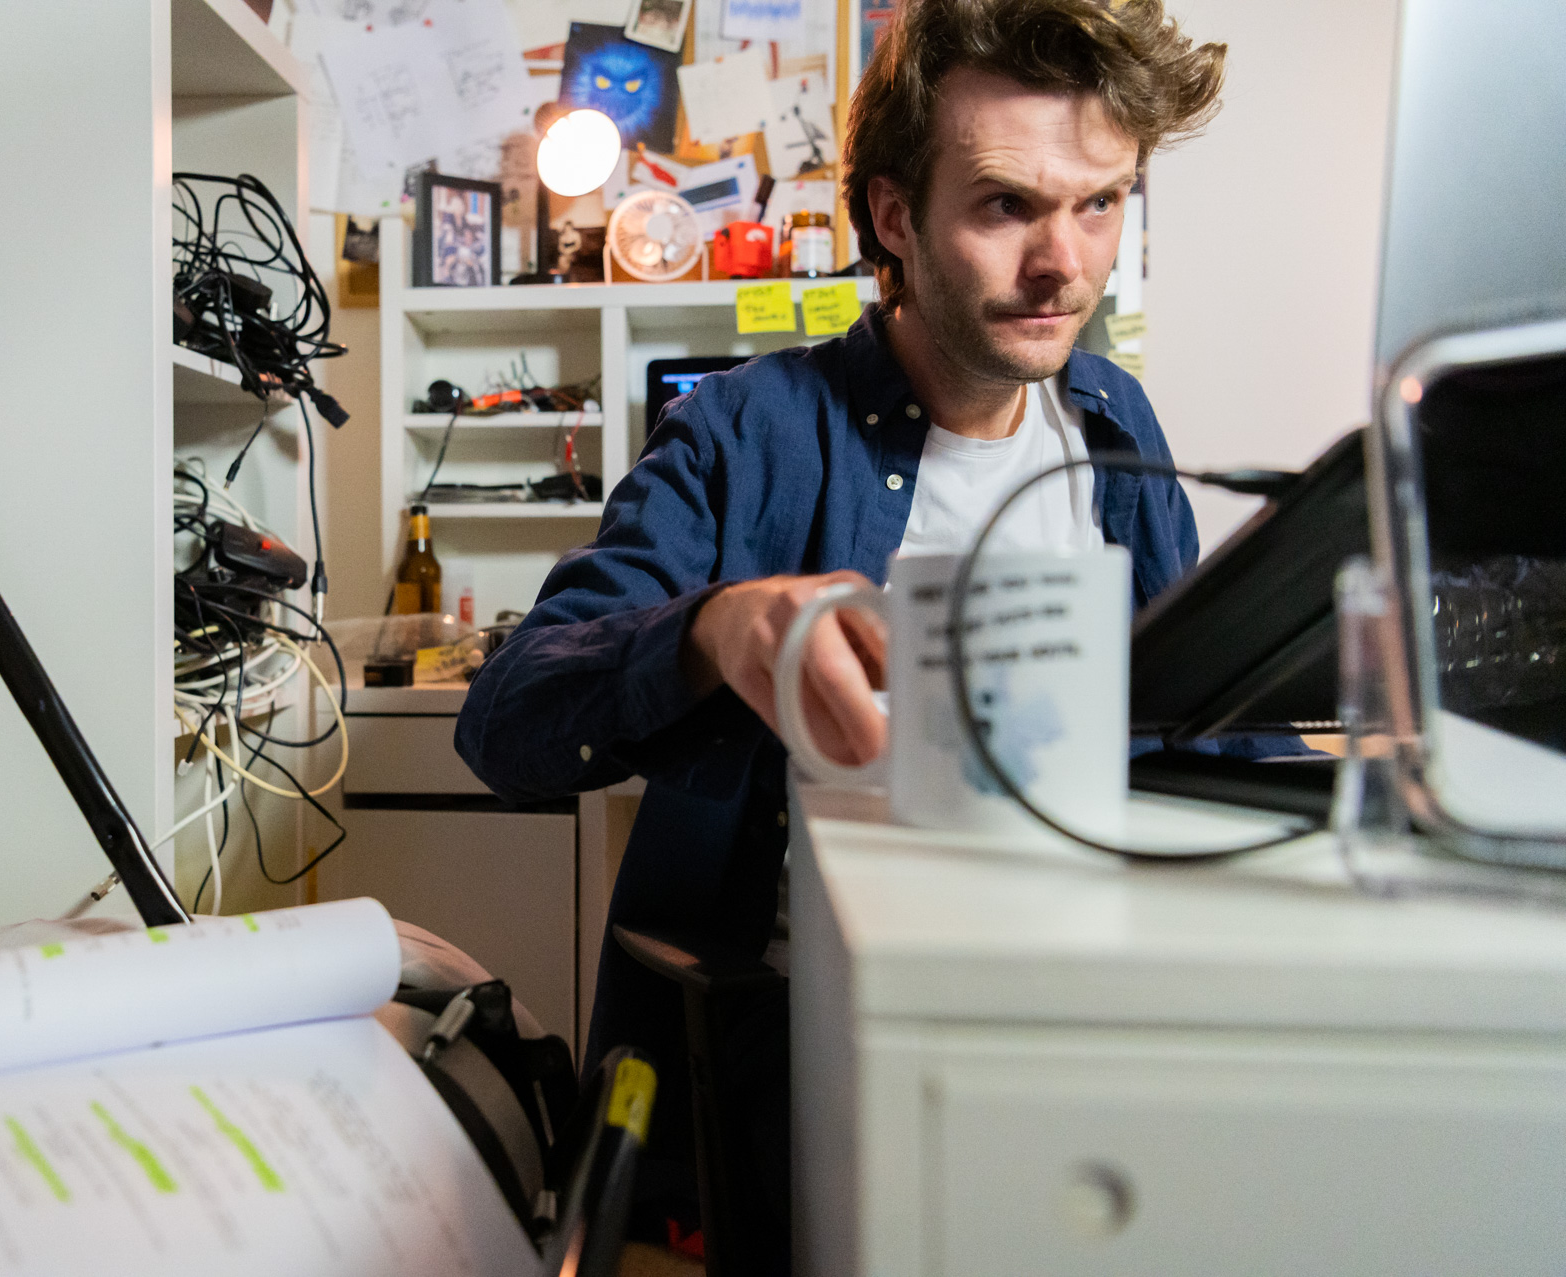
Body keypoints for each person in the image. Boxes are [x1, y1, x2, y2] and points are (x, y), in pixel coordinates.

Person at [457, 0, 1233, 1257]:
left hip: (1074, 1033)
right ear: (893, 216)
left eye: (1100, 202)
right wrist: (718, 629)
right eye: (1006, 205)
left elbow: (1193, 733)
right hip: (806, 1062)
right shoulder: (743, 429)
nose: (1065, 263)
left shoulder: (1114, 421)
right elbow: (507, 721)